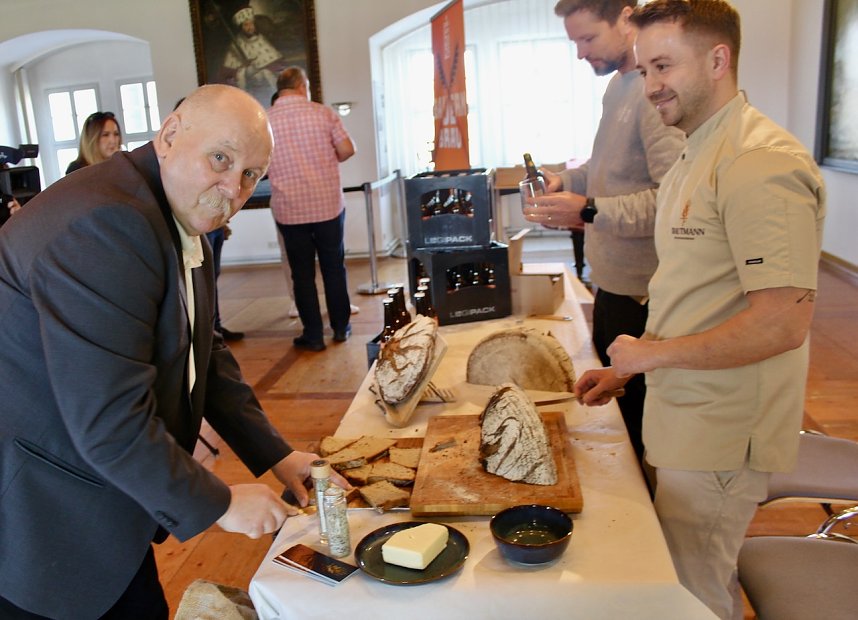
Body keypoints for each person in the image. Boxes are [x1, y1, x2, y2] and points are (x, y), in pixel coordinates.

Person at [0, 84, 348, 619]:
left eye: (251, 174)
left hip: (114, 495)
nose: (233, 188)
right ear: (169, 136)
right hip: (45, 513)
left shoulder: (172, 210)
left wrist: (276, 455)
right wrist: (220, 502)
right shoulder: (105, 223)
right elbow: (108, 422)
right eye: (220, 159)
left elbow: (203, 350)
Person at [575, 1, 826, 618]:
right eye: (644, 69)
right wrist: (629, 368)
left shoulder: (759, 163)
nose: (651, 85)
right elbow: (696, 292)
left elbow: (781, 323)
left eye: (664, 66)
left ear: (718, 60)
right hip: (686, 409)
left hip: (721, 429)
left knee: (695, 592)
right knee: (680, 576)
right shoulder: (697, 150)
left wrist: (649, 355)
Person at [524, 0, 685, 463]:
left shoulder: (654, 94)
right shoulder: (619, 86)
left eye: (588, 38)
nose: (580, 52)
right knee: (619, 413)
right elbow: (611, 167)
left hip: (644, 293)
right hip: (614, 283)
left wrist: (589, 209)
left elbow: (673, 202)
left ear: (627, 18)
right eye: (575, 41)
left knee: (639, 428)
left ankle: (649, 505)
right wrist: (567, 181)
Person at [267, 66, 356, 352]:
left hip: (289, 210)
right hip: (327, 205)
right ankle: (340, 328)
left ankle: (313, 336)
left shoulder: (264, 121)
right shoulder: (322, 113)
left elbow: (257, 166)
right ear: (302, 86)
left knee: (302, 274)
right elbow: (347, 149)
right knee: (334, 267)